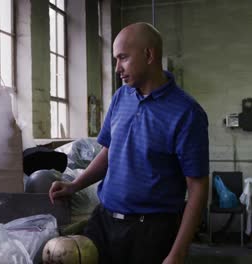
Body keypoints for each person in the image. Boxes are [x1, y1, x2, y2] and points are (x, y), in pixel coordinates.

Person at [49, 22, 209, 264]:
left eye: (122, 58)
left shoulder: (187, 113)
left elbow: (198, 189)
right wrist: (75, 185)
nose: (117, 68)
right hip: (104, 221)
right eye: (115, 59)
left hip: (151, 232)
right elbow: (109, 150)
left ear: (149, 55)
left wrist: (178, 253)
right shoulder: (121, 97)